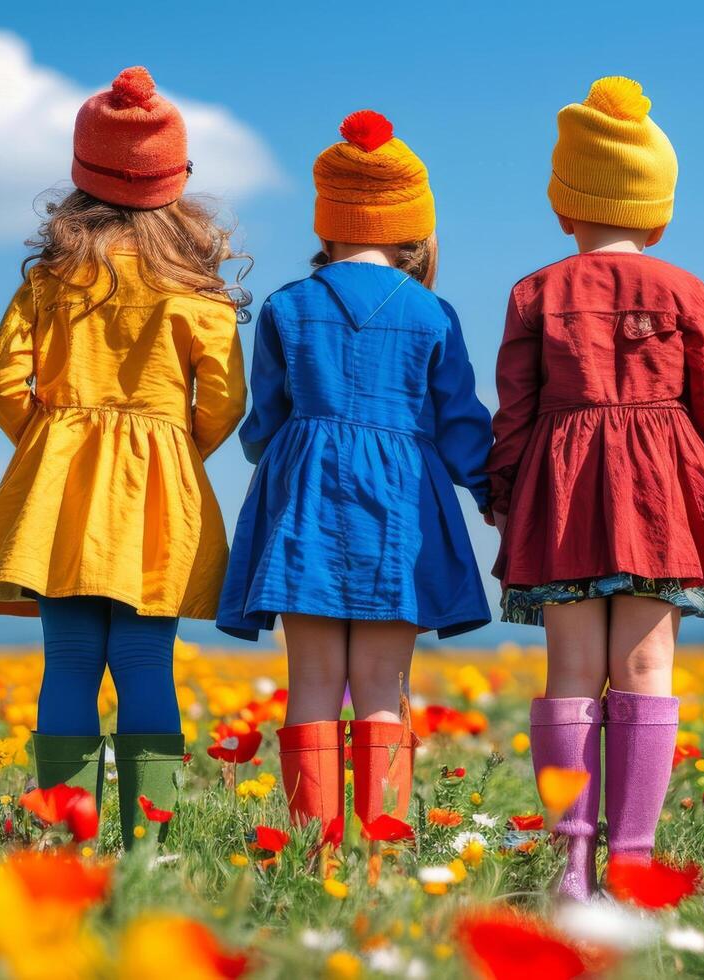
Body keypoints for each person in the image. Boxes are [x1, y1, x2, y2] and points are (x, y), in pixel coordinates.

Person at [0, 67, 247, 849]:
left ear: (82, 179)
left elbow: (0, 378)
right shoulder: (199, 291)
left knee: (68, 662)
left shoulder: (53, 279)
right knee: (146, 666)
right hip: (160, 490)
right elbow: (225, 400)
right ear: (176, 180)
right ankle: (150, 848)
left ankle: (67, 840)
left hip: (59, 489)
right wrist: (175, 448)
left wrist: (48, 439)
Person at [489, 76, 704, 900]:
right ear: (658, 213)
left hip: (560, 492)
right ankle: (633, 863)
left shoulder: (534, 292)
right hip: (662, 499)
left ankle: (571, 866)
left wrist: (504, 494)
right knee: (647, 663)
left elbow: (515, 414)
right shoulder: (687, 291)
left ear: (566, 208)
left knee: (570, 668)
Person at [218, 111, 493, 843]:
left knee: (310, 682)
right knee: (382, 688)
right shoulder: (433, 313)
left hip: (304, 506)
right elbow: (463, 423)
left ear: (327, 221)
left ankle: (316, 857)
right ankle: (379, 854)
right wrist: (493, 493)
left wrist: (272, 460)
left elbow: (265, 421)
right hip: (401, 513)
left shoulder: (286, 306)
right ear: (411, 227)